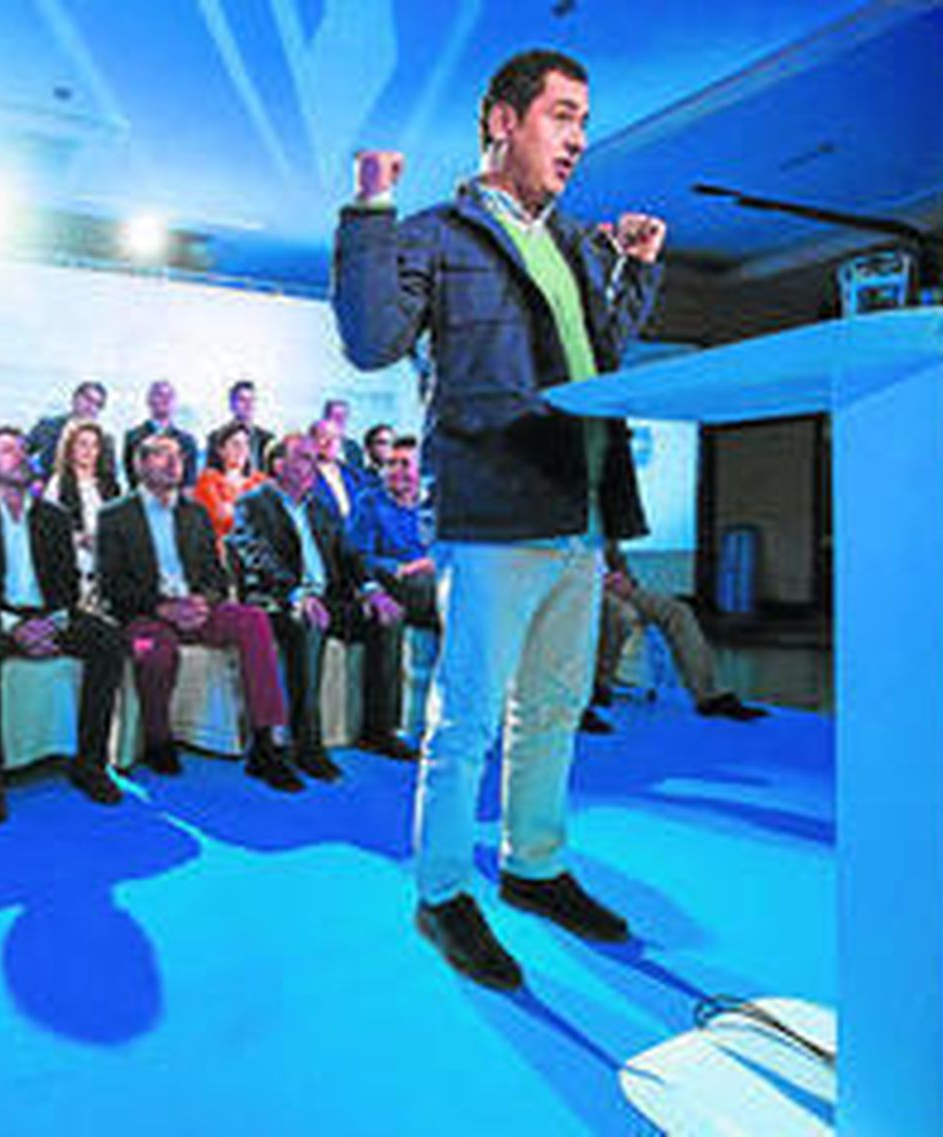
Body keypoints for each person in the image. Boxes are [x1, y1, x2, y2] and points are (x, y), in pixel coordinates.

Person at [333, 48, 668, 989]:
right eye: (561, 116)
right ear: (501, 120)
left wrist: (633, 275)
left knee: (554, 707)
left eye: (584, 121)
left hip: (578, 511)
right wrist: (368, 211)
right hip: (490, 514)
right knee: (468, 718)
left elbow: (595, 359)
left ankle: (534, 866)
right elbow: (370, 342)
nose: (578, 140)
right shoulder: (438, 233)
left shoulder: (568, 244)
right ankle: (441, 893)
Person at [97, 434, 300, 788]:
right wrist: (163, 608)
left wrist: (203, 602)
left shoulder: (195, 514)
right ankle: (159, 741)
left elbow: (216, 577)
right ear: (140, 464)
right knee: (155, 652)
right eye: (162, 456)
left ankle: (265, 743)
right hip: (147, 613)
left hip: (196, 608)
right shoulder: (115, 515)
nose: (174, 463)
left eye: (178, 456)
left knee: (254, 621)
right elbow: (112, 586)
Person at [0, 427, 127, 824]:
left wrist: (50, 623)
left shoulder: (54, 517)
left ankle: (90, 762)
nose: (22, 456)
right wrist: (15, 628)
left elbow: (67, 585)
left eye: (24, 449)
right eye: (8, 451)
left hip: (49, 615)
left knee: (108, 639)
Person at [228, 434, 407, 778]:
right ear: (279, 465)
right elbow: (258, 557)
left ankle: (378, 730)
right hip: (278, 600)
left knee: (387, 618)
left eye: (314, 458)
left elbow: (349, 554)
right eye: (305, 458)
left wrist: (371, 590)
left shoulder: (319, 507)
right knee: (308, 621)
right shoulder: (253, 504)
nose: (315, 466)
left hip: (328, 597)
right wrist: (297, 594)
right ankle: (307, 745)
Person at [584, 541, 768, 730]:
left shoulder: (603, 526)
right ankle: (600, 684)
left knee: (678, 611)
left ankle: (710, 696)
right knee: (621, 614)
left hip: (612, 587)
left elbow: (617, 562)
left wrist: (627, 582)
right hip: (583, 589)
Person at [346, 435, 440, 750]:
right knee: (389, 615)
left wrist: (431, 563)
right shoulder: (369, 503)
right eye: (390, 463)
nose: (396, 470)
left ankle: (456, 717)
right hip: (389, 585)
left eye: (404, 464)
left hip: (432, 588)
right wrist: (401, 568)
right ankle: (381, 732)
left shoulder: (433, 505)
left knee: (465, 608)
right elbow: (356, 555)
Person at [44, 418, 122, 589]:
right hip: (73, 568)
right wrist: (79, 538)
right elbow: (48, 532)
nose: (89, 451)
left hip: (109, 567)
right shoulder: (58, 484)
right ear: (70, 448)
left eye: (94, 445)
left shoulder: (111, 485)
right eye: (82, 444)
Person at [25, 380, 118, 484]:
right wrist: (34, 480)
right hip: (45, 491)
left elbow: (109, 478)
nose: (91, 407)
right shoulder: (48, 426)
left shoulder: (105, 440)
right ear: (75, 398)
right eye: (88, 399)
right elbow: (21, 456)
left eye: (98, 405)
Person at [192, 422, 268, 540]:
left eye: (246, 444)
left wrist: (232, 508)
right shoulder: (208, 479)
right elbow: (221, 519)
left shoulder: (260, 480)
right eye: (235, 444)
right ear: (221, 450)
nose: (242, 449)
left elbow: (272, 519)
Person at [122, 379, 200, 488]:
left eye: (169, 396)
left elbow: (189, 482)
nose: (165, 400)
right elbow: (132, 478)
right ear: (149, 401)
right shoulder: (133, 437)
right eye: (159, 395)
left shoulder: (187, 441)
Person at [206, 379, 275, 473]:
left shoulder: (267, 439)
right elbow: (212, 474)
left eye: (252, 400)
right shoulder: (216, 437)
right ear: (232, 404)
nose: (248, 405)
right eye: (242, 400)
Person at [309, 417, 367, 522]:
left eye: (335, 437)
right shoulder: (303, 476)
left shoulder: (353, 475)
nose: (330, 442)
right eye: (323, 436)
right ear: (310, 441)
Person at [321, 398, 368, 470]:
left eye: (343, 417)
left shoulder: (354, 448)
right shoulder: (313, 447)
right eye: (336, 416)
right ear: (325, 418)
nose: (340, 421)